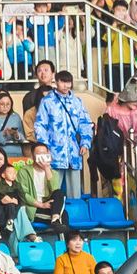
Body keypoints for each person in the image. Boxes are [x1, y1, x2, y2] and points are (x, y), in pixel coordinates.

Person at [32, 69, 93, 199]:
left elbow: (85, 123)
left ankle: (74, 211)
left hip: (74, 154)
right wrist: (44, 148)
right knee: (53, 191)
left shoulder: (77, 102)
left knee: (75, 194)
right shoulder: (47, 101)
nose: (66, 85)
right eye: (63, 82)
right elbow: (40, 125)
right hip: (53, 154)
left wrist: (85, 143)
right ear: (56, 82)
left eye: (68, 82)